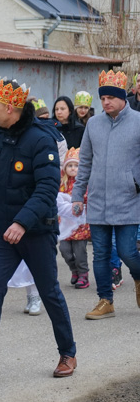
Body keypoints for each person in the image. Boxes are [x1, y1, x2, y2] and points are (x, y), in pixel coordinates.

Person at [0, 77, 77, 381]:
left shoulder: (41, 138)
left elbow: (48, 187)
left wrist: (22, 222)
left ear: (11, 108)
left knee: (50, 292)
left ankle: (68, 353)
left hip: (37, 230)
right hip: (4, 234)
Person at [71, 70, 140, 320]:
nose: (106, 102)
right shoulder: (93, 124)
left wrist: (135, 181)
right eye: (102, 98)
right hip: (98, 200)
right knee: (99, 253)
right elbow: (85, 161)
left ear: (123, 98)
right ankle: (105, 301)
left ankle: (138, 276)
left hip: (129, 200)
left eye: (111, 97)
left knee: (127, 251)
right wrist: (78, 194)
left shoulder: (138, 122)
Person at [57, 148, 90, 289]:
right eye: (70, 165)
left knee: (80, 251)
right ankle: (73, 269)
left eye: (76, 166)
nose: (73, 168)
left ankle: (83, 274)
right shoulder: (62, 184)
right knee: (65, 250)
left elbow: (88, 199)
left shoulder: (84, 184)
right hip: (65, 223)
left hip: (80, 225)